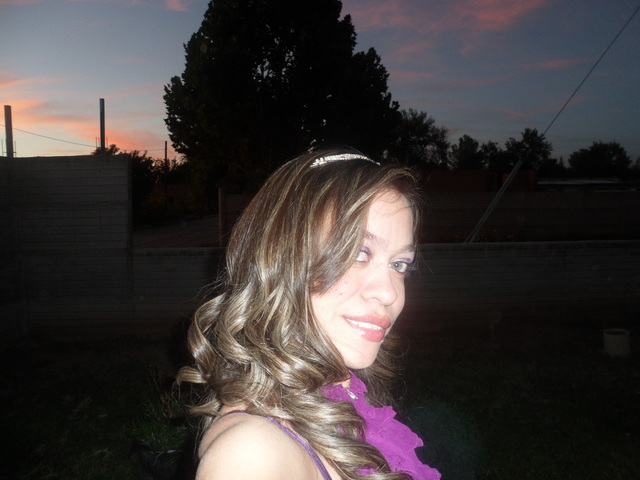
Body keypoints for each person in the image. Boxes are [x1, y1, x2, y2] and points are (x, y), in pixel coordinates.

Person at [178, 149, 441, 480]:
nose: (390, 293)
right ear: (281, 259)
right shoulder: (252, 454)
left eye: (399, 264)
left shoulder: (345, 396)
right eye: (358, 253)